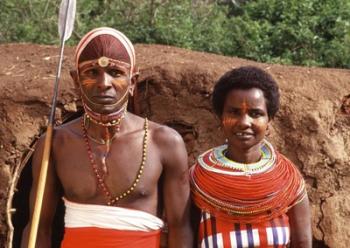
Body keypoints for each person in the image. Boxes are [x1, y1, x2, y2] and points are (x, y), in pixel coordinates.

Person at [21, 27, 193, 248]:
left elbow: (181, 227)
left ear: (132, 82)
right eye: (92, 72)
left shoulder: (164, 143)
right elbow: (38, 228)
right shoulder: (55, 144)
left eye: (115, 72)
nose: (104, 83)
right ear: (76, 80)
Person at [190, 66, 312, 248]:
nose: (244, 122)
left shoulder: (289, 182)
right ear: (220, 118)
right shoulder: (198, 183)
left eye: (255, 114)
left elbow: (302, 243)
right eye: (234, 112)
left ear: (269, 121)